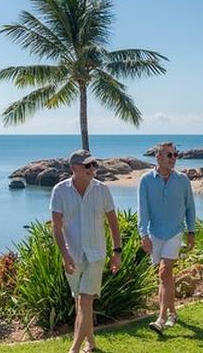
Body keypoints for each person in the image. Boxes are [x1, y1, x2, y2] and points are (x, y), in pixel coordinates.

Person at [51, 149, 122, 353]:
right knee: (81, 303)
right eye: (88, 165)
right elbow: (56, 226)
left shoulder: (102, 190)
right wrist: (65, 255)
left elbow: (113, 224)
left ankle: (73, 349)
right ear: (75, 168)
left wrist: (117, 252)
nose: (93, 168)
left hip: (96, 254)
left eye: (94, 164)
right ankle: (90, 342)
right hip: (72, 255)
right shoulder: (60, 190)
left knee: (84, 301)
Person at [138, 142, 196, 334]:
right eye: (169, 155)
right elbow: (143, 210)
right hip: (155, 233)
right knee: (165, 277)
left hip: (175, 231)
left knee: (164, 272)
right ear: (158, 157)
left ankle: (161, 319)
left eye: (175, 155)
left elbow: (190, 207)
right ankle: (172, 312)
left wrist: (192, 232)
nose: (173, 158)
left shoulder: (183, 180)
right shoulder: (145, 180)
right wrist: (143, 234)